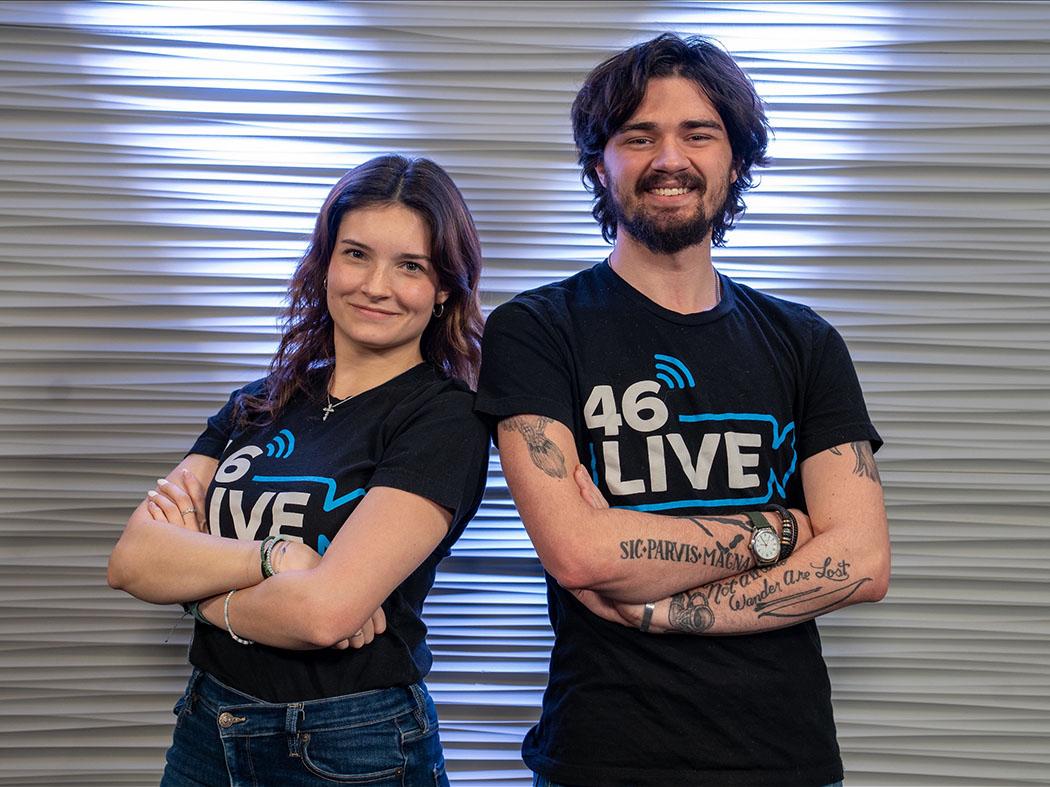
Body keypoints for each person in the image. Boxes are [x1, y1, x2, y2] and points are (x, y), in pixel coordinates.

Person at [475, 34, 890, 787]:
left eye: (699, 132)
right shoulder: (537, 329)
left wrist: (657, 606)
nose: (670, 157)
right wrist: (784, 528)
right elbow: (579, 553)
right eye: (639, 136)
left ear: (736, 160)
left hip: (784, 759)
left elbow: (861, 561)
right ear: (600, 165)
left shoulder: (805, 341)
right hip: (603, 756)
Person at [107, 154, 490, 786]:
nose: (375, 285)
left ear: (444, 286)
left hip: (353, 742)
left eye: (411, 266)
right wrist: (280, 561)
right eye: (357, 254)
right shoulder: (259, 402)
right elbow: (133, 560)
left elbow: (323, 615)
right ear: (326, 261)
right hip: (207, 723)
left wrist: (193, 587)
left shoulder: (443, 420)